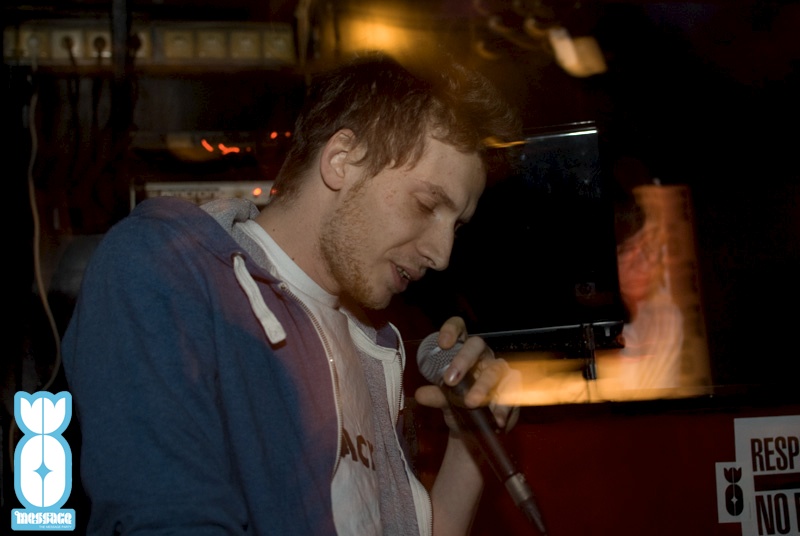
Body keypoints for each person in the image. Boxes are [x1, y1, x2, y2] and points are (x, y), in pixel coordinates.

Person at [61, 50, 522, 535]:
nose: (442, 254)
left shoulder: (375, 344)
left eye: (457, 226)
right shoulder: (171, 269)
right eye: (427, 205)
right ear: (342, 161)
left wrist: (469, 443)